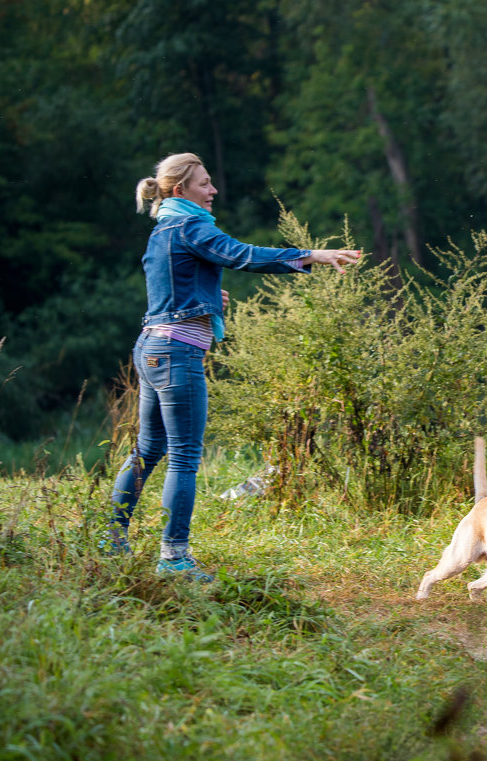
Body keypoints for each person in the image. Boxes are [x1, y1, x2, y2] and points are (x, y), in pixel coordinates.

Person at [106, 152, 360, 580]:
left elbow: (167, 285)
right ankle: (174, 558)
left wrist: (206, 301)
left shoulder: (164, 229)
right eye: (204, 183)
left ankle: (110, 539)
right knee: (184, 456)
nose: (213, 190)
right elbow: (240, 254)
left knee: (148, 451)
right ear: (179, 189)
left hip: (150, 346)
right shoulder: (191, 224)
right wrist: (310, 254)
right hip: (176, 354)